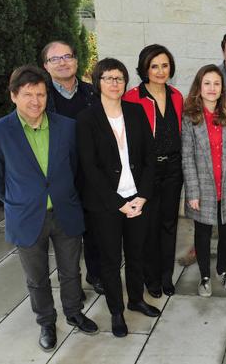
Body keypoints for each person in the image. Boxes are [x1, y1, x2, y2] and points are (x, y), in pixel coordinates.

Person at [0, 65, 98, 351]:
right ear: (13, 96)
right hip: (26, 216)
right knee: (36, 277)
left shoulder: (66, 127)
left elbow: (74, 168)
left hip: (65, 212)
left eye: (41, 94)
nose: (36, 101)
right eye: (28, 94)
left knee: (71, 270)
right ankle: (46, 320)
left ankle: (73, 311)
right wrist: (18, 200)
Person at [77, 58, 160, 338]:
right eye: (109, 78)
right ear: (97, 82)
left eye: (120, 78)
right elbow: (89, 168)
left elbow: (150, 158)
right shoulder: (86, 118)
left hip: (137, 199)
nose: (115, 83)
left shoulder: (136, 112)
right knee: (111, 261)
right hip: (106, 205)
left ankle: (136, 300)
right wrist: (118, 203)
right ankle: (116, 311)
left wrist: (143, 196)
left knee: (136, 254)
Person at [182, 64, 226, 297]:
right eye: (207, 83)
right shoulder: (190, 117)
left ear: (223, 88)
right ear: (199, 88)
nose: (212, 88)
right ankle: (204, 276)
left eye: (216, 83)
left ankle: (222, 270)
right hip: (202, 189)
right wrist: (192, 191)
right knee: (202, 234)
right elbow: (187, 156)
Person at [41, 40, 103, 295]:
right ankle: (71, 283)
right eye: (55, 59)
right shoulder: (41, 97)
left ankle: (96, 274)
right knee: (67, 232)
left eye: (67, 56)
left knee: (94, 228)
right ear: (46, 66)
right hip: (59, 174)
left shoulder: (93, 93)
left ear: (77, 61)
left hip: (90, 172)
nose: (63, 62)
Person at [123, 44, 184, 298]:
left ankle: (165, 276)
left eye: (165, 65)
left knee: (169, 224)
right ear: (145, 68)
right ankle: (151, 278)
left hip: (173, 169)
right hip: (146, 171)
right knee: (148, 225)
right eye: (154, 66)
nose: (160, 71)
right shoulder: (132, 97)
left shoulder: (177, 96)